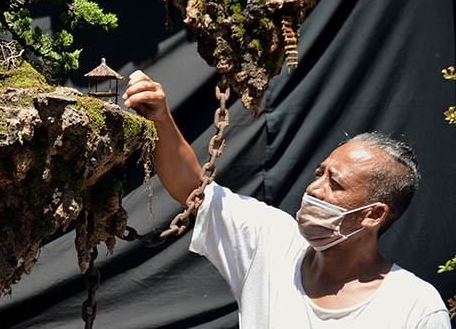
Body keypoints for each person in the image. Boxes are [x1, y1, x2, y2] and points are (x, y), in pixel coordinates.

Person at [122, 70, 451, 328]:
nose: (314, 189)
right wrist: (160, 117)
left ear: (373, 215)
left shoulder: (415, 307)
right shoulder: (272, 242)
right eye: (319, 173)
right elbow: (194, 190)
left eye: (335, 184)